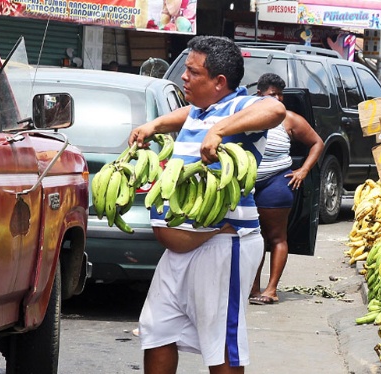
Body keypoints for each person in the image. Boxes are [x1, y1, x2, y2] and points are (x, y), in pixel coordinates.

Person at [128, 36, 286, 374]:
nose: (183, 77)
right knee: (156, 331)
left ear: (219, 82)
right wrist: (154, 124)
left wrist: (219, 131)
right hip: (179, 252)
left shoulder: (240, 108)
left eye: (192, 72)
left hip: (222, 246)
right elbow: (186, 114)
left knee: (221, 346)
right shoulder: (200, 110)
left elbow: (275, 110)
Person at [249, 73, 324, 305]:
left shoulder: (289, 119)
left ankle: (271, 290)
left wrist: (303, 170)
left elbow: (317, 143)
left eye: (281, 94)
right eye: (273, 94)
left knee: (276, 236)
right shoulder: (246, 114)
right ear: (259, 95)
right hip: (248, 184)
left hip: (277, 181)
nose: (278, 99)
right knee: (253, 237)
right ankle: (252, 288)